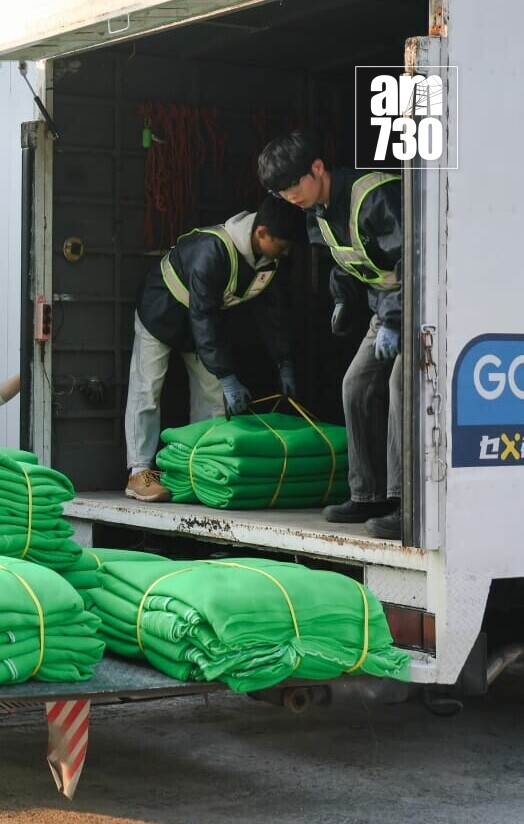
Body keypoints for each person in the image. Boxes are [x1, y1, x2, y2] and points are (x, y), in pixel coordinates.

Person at [259, 132, 404, 539]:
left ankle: (404, 502)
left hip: (422, 305)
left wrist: (394, 318)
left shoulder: (374, 196)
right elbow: (345, 261)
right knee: (356, 385)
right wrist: (343, 300)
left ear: (317, 169)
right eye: (281, 192)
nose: (290, 197)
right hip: (387, 308)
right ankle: (369, 494)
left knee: (401, 384)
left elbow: (415, 260)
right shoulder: (318, 212)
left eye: (293, 186)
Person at [124, 195, 307, 502]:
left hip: (202, 322)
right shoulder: (212, 250)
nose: (287, 252)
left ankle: (199, 469)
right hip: (161, 312)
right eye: (283, 244)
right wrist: (226, 374)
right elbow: (204, 315)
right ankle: (138, 472)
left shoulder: (270, 261)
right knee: (147, 388)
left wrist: (284, 361)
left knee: (212, 398)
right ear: (261, 233)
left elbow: (274, 315)